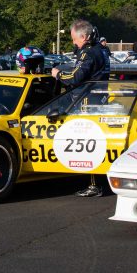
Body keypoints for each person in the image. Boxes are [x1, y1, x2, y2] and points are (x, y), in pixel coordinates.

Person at [51, 20, 110, 198]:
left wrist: (58, 74)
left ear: (83, 37)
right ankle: (96, 182)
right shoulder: (101, 50)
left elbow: (76, 77)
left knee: (87, 145)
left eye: (75, 40)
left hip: (87, 103)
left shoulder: (89, 53)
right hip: (98, 100)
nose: (73, 43)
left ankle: (94, 185)